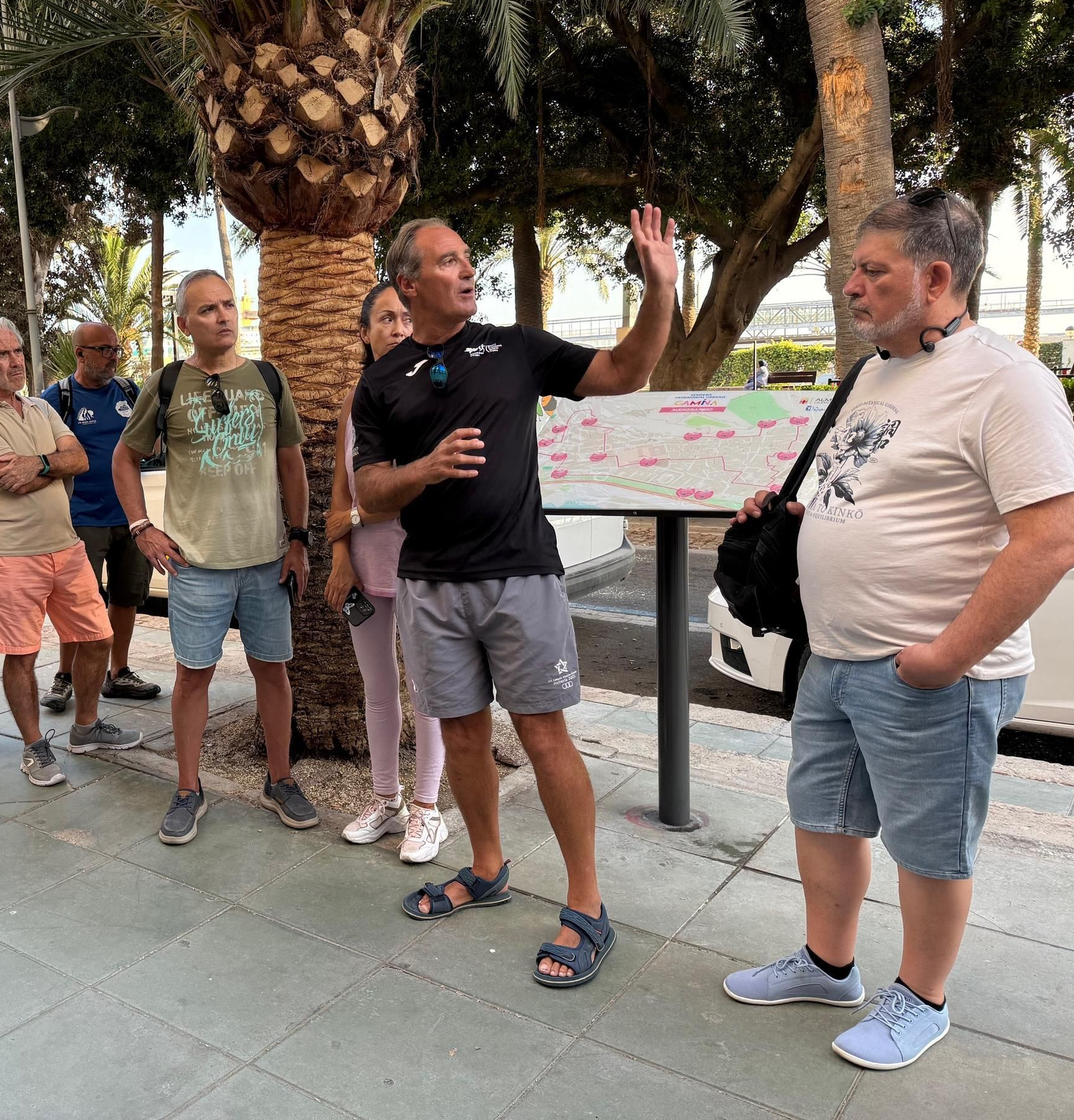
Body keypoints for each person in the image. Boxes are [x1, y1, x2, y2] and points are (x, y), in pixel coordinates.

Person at [724, 189, 1074, 1071]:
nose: (851, 286)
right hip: (835, 656)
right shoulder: (876, 371)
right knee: (824, 819)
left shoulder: (1010, 381)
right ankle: (827, 965)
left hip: (932, 670)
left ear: (935, 276)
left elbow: (1055, 535)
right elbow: (874, 489)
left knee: (927, 845)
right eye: (851, 269)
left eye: (870, 271)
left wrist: (946, 658)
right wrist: (795, 516)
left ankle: (922, 999)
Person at [353, 210, 677, 986]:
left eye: (469, 258)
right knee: (462, 737)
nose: (469, 271)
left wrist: (659, 290)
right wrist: (425, 469)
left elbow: (626, 370)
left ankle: (588, 905)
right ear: (407, 282)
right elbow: (368, 490)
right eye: (448, 261)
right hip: (429, 586)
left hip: (520, 576)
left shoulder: (515, 348)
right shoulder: (381, 380)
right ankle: (488, 867)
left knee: (542, 735)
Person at [113, 270, 317, 845]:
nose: (223, 316)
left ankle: (280, 779)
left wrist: (299, 539)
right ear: (184, 324)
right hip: (195, 564)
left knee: (272, 672)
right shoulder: (168, 384)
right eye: (207, 310)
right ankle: (186, 788)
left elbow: (292, 465)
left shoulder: (268, 379)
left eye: (228, 305)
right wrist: (141, 528)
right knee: (191, 676)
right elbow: (124, 459)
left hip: (266, 561)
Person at [0, 317, 141, 787]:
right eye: (2, 354)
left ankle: (86, 728)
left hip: (66, 544)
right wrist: (52, 464)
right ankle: (35, 747)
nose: (16, 361)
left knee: (97, 639)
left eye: (17, 351)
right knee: (22, 653)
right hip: (13, 552)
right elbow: (7, 479)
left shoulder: (40, 407)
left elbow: (80, 459)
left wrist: (37, 464)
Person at [325, 281, 447, 862]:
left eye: (406, 318)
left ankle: (427, 809)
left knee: (427, 690)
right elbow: (341, 490)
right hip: (367, 561)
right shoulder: (358, 398)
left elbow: (423, 490)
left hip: (425, 559)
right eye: (386, 319)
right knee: (378, 690)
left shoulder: (436, 393)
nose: (398, 328)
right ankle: (385, 799)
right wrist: (342, 552)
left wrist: (359, 512)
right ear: (365, 333)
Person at [38, 321, 161, 710]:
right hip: (81, 518)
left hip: (131, 516)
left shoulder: (128, 391)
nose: (113, 357)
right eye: (104, 350)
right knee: (78, 601)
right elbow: (44, 457)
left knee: (126, 597)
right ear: (80, 354)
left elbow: (151, 441)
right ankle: (65, 676)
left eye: (116, 350)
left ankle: (118, 673)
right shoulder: (57, 398)